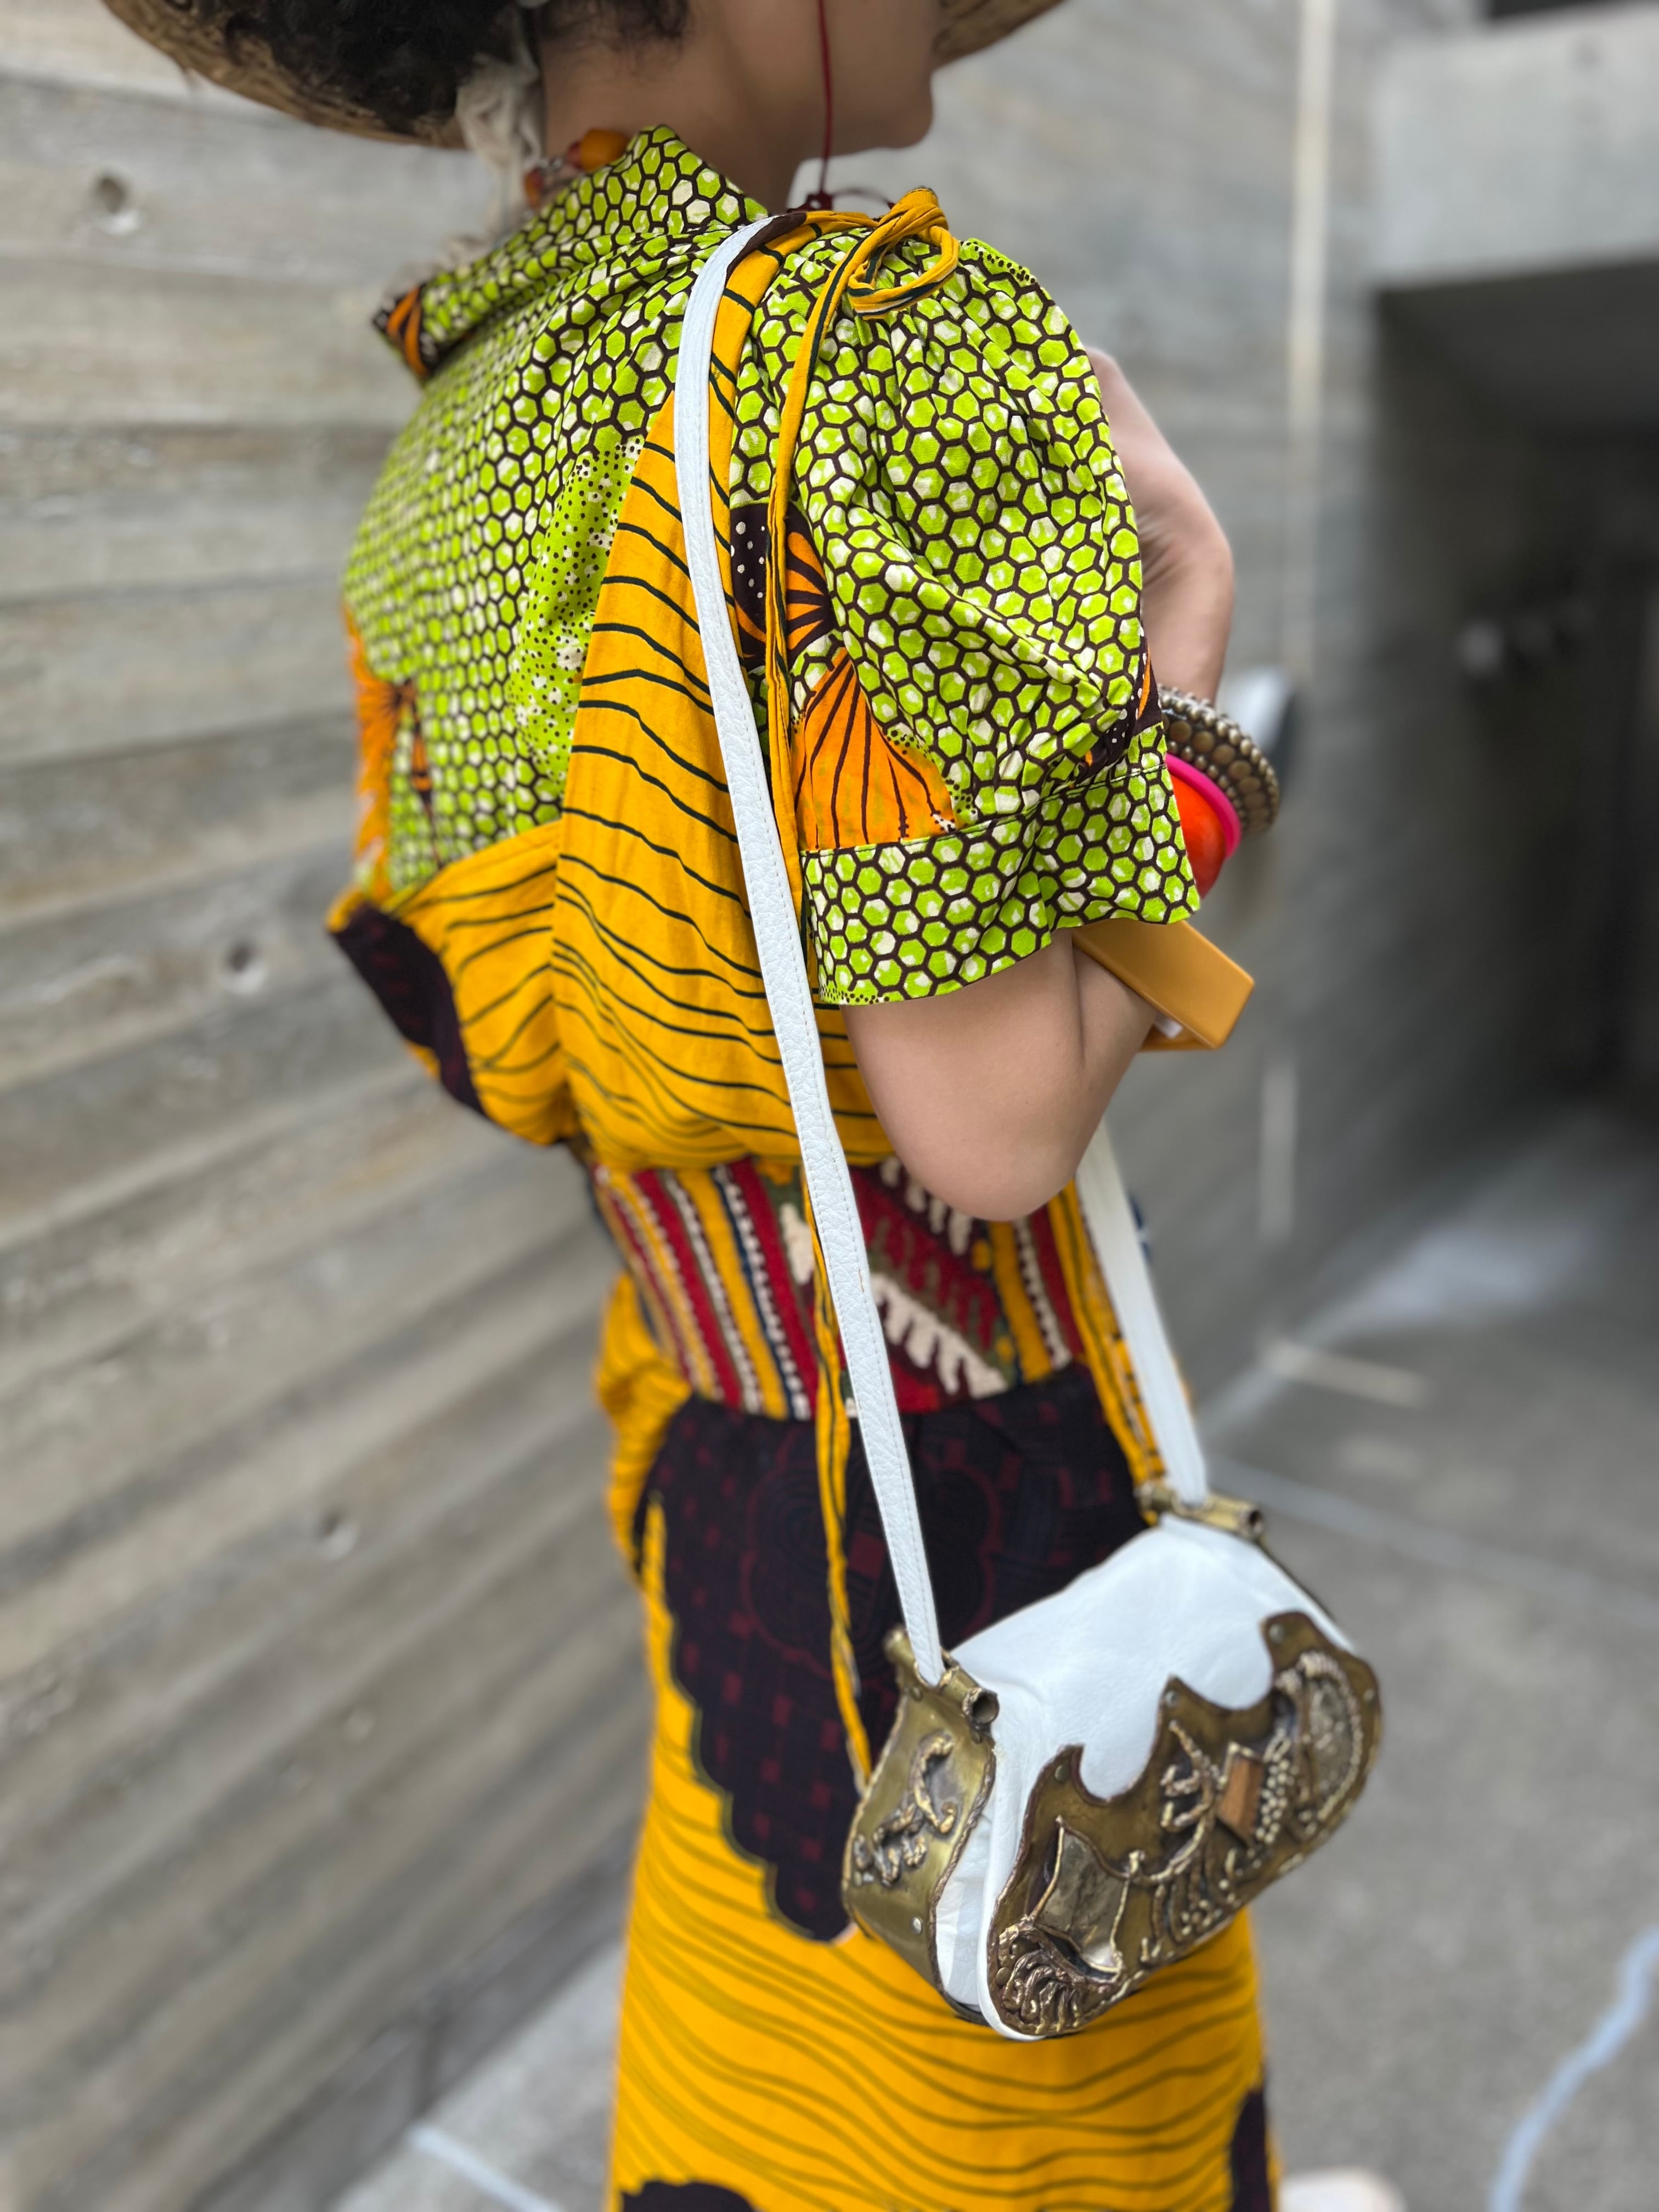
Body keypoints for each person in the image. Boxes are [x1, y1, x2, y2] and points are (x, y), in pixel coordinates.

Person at [106, 2, 1403, 2207]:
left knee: (772, 2077)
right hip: (977, 1479)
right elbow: (996, 1133)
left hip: (714, 1452)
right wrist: (1197, 663)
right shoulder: (885, 356)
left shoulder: (473, 414)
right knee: (1046, 2072)